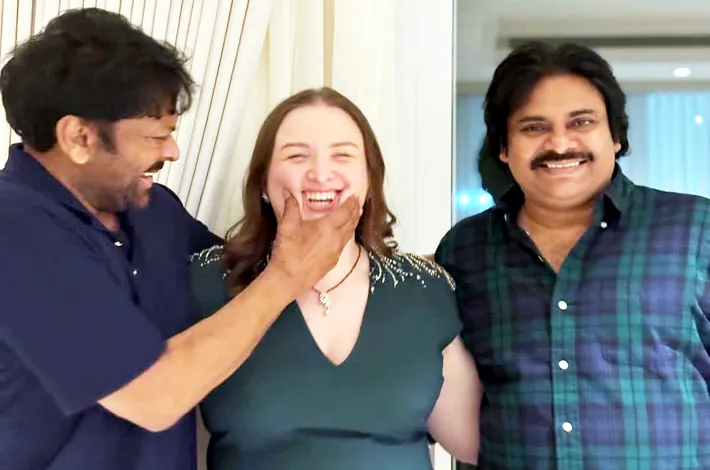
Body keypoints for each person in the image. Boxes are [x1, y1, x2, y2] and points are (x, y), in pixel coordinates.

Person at [0, 8, 359, 470]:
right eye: (156, 136)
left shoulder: (155, 210)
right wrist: (288, 274)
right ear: (79, 137)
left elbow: (244, 273)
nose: (172, 151)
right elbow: (155, 396)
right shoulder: (14, 229)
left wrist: (414, 274)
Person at [436, 40, 710, 470]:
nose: (560, 144)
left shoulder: (695, 231)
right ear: (504, 148)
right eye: (533, 127)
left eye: (581, 122)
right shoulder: (465, 251)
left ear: (615, 136)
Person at [189, 87, 483, 470]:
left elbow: (473, 442)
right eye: (297, 156)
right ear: (262, 182)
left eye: (342, 155)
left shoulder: (424, 288)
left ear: (370, 178)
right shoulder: (207, 280)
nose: (321, 173)